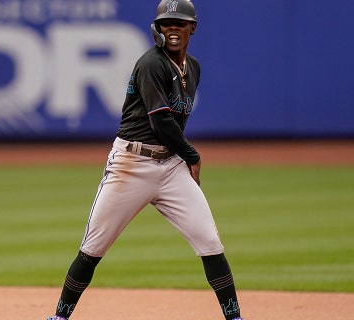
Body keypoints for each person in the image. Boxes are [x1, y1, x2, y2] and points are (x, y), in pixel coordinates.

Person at [46, 1, 244, 320]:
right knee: (93, 247)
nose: (173, 29)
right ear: (157, 28)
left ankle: (234, 316)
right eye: (166, 23)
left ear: (192, 28)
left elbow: (176, 124)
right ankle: (59, 316)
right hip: (131, 165)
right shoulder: (152, 64)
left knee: (209, 241)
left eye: (180, 23)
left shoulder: (192, 67)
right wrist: (191, 155)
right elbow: (161, 122)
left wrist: (181, 157)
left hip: (171, 166)